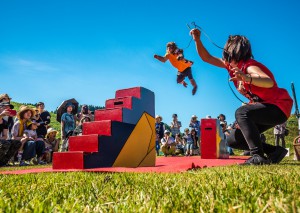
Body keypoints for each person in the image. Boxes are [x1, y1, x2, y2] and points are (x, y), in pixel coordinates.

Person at [190, 28, 293, 165]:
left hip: (278, 107)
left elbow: (268, 82)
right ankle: (275, 151)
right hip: (265, 109)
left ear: (234, 50)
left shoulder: (248, 66)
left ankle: (258, 156)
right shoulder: (230, 66)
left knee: (242, 112)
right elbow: (206, 58)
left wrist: (246, 78)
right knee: (233, 139)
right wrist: (197, 40)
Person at [0, 102, 21, 166]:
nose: (7, 109)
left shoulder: (5, 122)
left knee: (17, 143)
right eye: (5, 107)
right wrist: (1, 115)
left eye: (9, 109)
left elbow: (5, 136)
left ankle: (3, 162)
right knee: (5, 143)